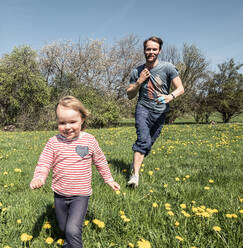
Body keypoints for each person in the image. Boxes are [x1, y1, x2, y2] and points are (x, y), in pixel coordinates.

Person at [30, 96, 120, 248]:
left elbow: (100, 161)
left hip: (80, 195)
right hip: (59, 194)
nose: (67, 127)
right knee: (64, 228)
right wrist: (39, 177)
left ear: (82, 119)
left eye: (72, 122)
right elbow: (44, 162)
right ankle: (69, 244)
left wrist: (109, 179)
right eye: (62, 122)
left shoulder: (89, 141)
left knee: (72, 229)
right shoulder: (54, 142)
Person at [126, 36, 184, 188]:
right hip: (143, 108)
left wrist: (170, 96)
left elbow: (181, 88)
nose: (151, 52)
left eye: (154, 49)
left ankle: (135, 166)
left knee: (148, 144)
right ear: (144, 50)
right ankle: (135, 176)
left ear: (159, 51)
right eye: (148, 49)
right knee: (143, 140)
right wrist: (139, 81)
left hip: (160, 112)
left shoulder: (168, 68)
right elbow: (130, 95)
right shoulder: (136, 71)